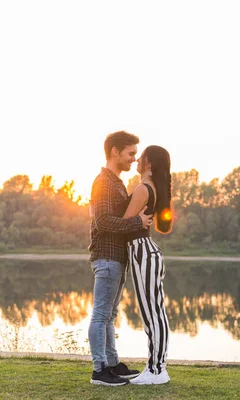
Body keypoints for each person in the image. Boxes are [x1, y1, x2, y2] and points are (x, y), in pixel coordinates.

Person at [88, 131, 154, 386]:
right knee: (101, 314)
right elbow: (102, 221)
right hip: (106, 257)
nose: (133, 159)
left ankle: (112, 364)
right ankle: (99, 370)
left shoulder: (115, 182)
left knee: (109, 314)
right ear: (115, 152)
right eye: (130, 154)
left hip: (116, 258)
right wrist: (136, 221)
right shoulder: (103, 181)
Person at [123, 145, 173, 385]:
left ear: (149, 164)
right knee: (154, 312)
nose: (137, 160)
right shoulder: (150, 188)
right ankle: (156, 367)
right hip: (144, 251)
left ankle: (156, 370)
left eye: (140, 157)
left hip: (143, 251)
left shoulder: (143, 189)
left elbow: (123, 224)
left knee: (153, 314)